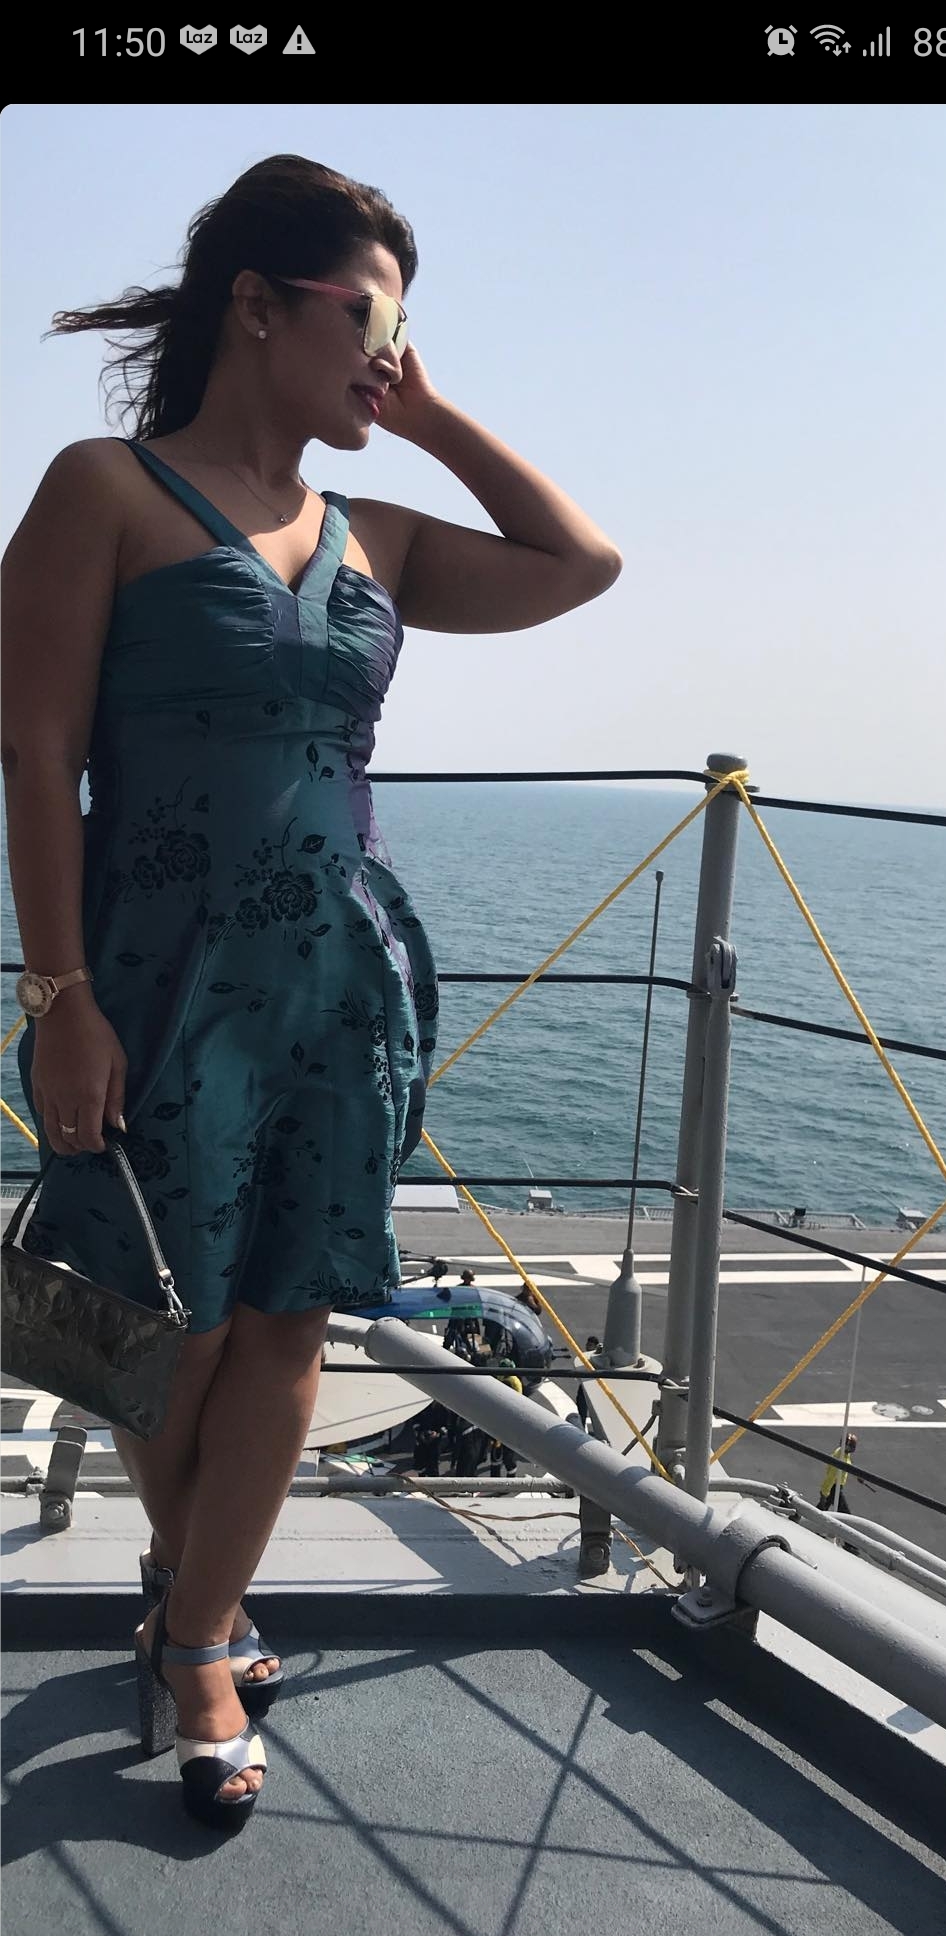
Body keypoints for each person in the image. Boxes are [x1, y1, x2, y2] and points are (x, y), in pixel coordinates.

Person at [1, 154, 622, 1830]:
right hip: (157, 983)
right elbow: (36, 755)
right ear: (257, 307)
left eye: (402, 328)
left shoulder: (381, 537)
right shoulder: (105, 490)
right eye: (367, 316)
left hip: (343, 986)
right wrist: (59, 996)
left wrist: (429, 413)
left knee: (292, 1317)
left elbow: (580, 563)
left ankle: (197, 1631)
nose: (386, 351)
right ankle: (196, 1599)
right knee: (173, 1327)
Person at [817, 1433, 866, 1552]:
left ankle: (807, 1525)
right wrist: (824, 1494)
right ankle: (850, 1544)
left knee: (820, 1510)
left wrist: (856, 1475)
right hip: (835, 1488)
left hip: (835, 1488)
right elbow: (831, 1478)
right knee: (846, 1516)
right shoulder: (841, 1458)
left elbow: (846, 1465)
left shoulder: (841, 1452)